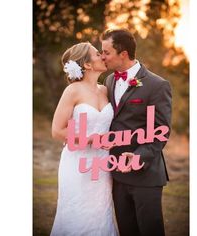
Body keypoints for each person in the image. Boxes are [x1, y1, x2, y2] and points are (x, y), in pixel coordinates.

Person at [101, 29, 172, 236]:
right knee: (127, 231)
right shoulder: (109, 81)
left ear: (123, 54)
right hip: (116, 174)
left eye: (106, 52)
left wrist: (138, 157)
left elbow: (161, 131)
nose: (102, 56)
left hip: (146, 175)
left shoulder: (157, 85)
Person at [50, 42, 118, 236]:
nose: (103, 56)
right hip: (77, 164)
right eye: (98, 54)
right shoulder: (73, 91)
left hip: (102, 165)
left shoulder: (105, 90)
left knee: (100, 212)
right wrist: (90, 139)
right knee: (77, 213)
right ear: (87, 65)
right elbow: (57, 130)